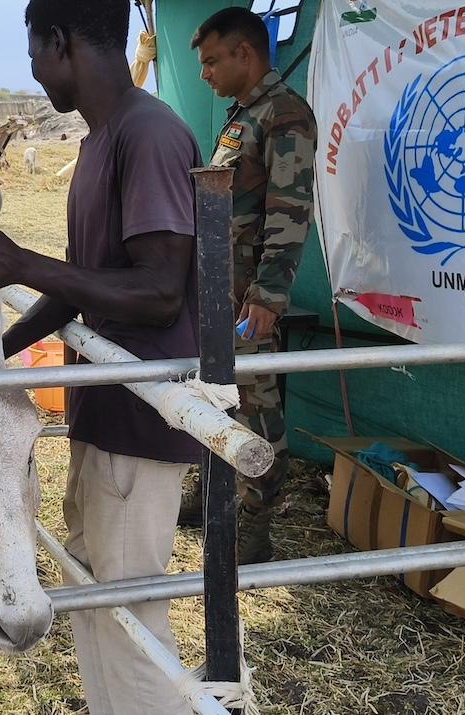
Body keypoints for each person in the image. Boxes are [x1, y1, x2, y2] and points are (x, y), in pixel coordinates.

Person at [0, 1, 200, 711]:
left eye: (33, 52)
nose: (33, 71)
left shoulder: (148, 134)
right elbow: (81, 283)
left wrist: (20, 263)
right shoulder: (100, 142)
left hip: (141, 418)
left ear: (58, 43)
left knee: (128, 619)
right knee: (93, 595)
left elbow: (159, 290)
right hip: (103, 411)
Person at [181, 7, 316, 564]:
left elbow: (290, 212)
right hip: (220, 292)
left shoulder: (284, 115)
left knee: (256, 404)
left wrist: (268, 296)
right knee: (212, 394)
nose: (204, 74)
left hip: (249, 301)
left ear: (245, 53)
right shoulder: (245, 115)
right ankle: (212, 488)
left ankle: (256, 520)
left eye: (212, 61)